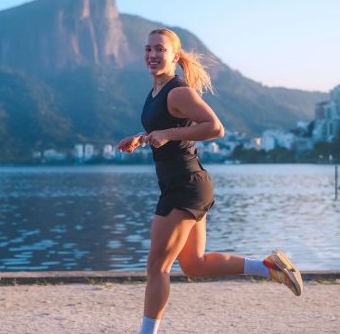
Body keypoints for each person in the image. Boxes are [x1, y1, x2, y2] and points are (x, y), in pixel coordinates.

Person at [117, 28, 303, 334]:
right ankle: (268, 266)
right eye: (148, 48)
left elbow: (215, 128)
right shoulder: (155, 93)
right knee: (194, 265)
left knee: (157, 267)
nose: (152, 55)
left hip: (185, 186)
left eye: (160, 50)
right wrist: (141, 138)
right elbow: (170, 129)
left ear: (174, 56)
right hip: (186, 183)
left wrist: (167, 134)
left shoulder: (178, 91)